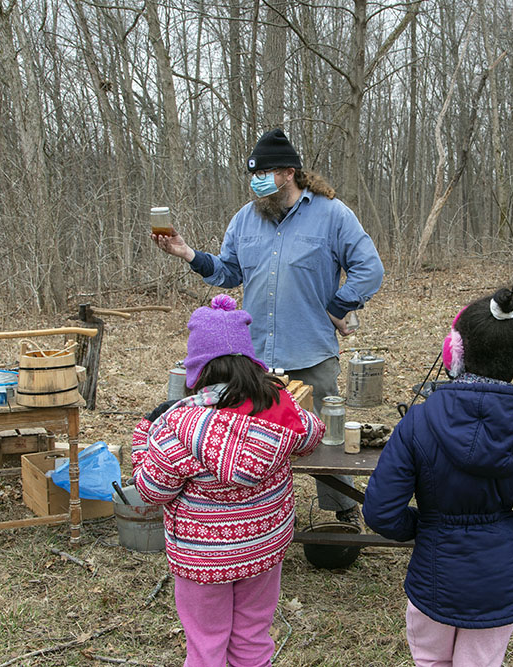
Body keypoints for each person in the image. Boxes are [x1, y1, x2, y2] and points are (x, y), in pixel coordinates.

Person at [152, 128, 383, 525]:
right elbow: (227, 272)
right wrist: (187, 252)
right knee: (252, 438)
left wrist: (338, 306)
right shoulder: (245, 219)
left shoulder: (332, 214)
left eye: (264, 173)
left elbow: (369, 268)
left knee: (325, 440)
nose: (256, 182)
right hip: (253, 358)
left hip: (310, 351)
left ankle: (343, 509)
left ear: (289, 173)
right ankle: (260, 515)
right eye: (252, 175)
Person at [363, 284, 513, 667]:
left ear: (453, 353)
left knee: (429, 659)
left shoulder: (419, 422)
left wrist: (423, 524)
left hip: (433, 575)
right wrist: (508, 532)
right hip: (501, 583)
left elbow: (380, 513)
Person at [130, 294, 324, 667]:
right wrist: (284, 401)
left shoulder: (178, 424)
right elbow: (311, 434)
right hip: (263, 549)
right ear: (249, 363)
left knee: (206, 644)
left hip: (203, 559)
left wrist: (143, 436)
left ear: (197, 370)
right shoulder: (278, 408)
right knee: (253, 636)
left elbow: (152, 490)